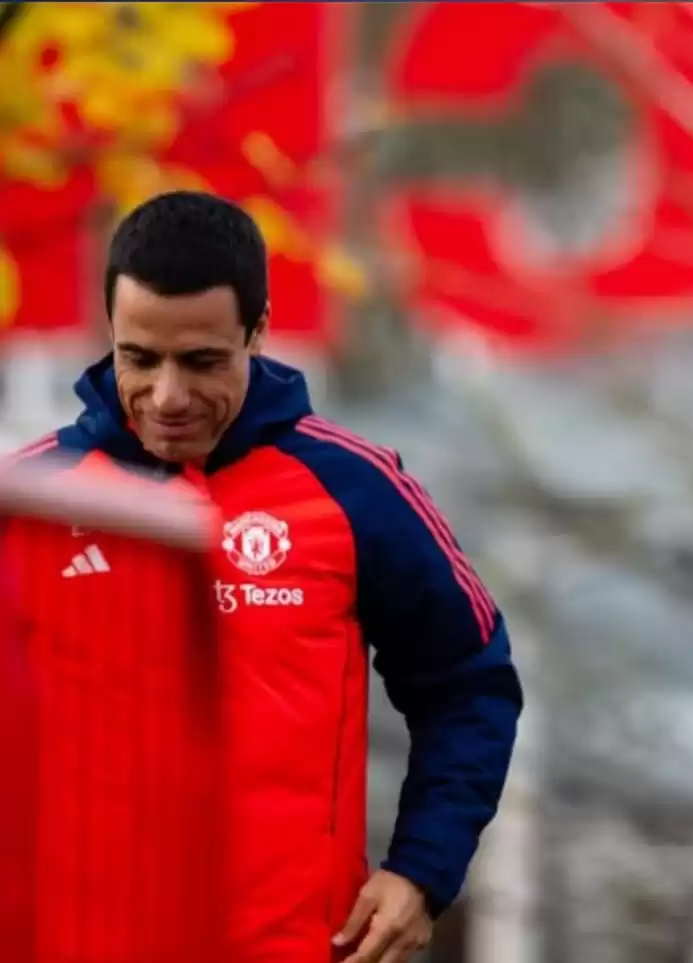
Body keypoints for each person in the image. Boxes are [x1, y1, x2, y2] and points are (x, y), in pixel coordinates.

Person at [10, 190, 523, 962]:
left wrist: (423, 869)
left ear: (257, 330)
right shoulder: (31, 502)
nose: (168, 396)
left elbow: (469, 683)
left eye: (202, 361)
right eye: (139, 358)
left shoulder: (354, 489)